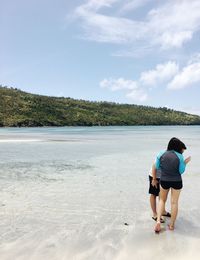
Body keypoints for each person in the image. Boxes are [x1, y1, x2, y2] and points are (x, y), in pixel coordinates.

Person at [154, 137, 191, 233]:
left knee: (162, 200)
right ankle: (171, 225)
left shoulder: (161, 153)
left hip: (164, 180)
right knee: (174, 202)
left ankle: (158, 221)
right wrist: (185, 163)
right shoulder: (179, 156)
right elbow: (181, 171)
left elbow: (157, 166)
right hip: (176, 181)